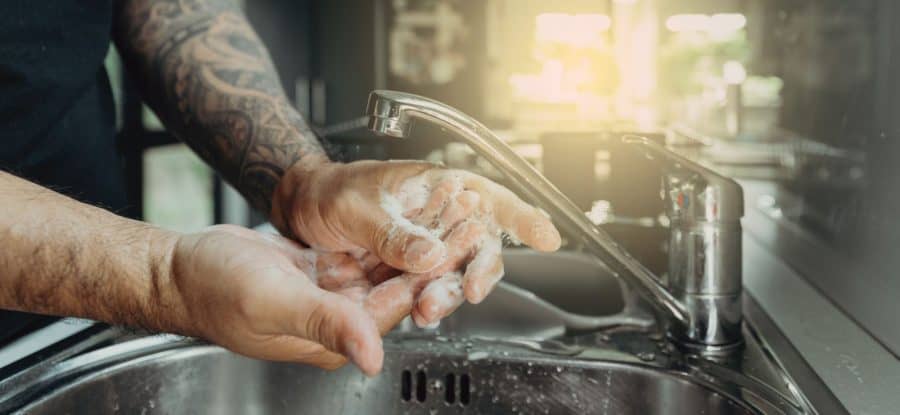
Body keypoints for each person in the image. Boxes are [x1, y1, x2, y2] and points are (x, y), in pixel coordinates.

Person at [0, 0, 561, 375]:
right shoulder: (155, 278)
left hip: (85, 333)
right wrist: (161, 276)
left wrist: (304, 181)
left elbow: (178, 13)